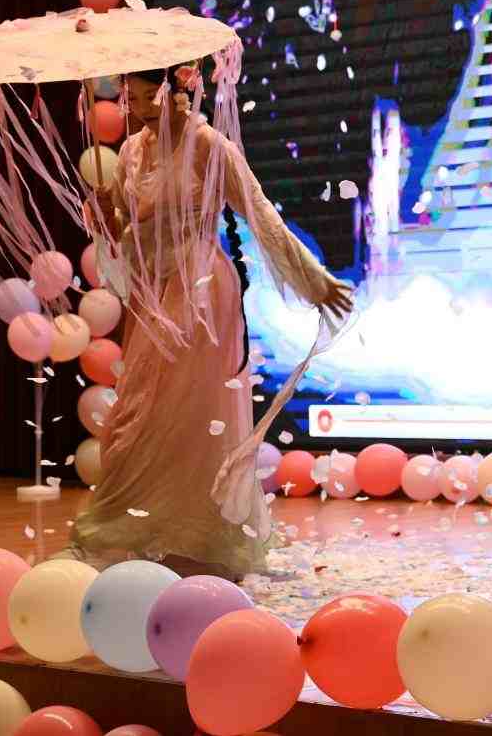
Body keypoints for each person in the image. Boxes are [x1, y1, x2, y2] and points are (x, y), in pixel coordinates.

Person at [63, 62, 352, 581]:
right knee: (137, 413)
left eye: (145, 95)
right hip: (152, 293)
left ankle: (201, 537)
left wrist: (313, 280)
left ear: (176, 90)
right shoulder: (132, 151)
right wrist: (105, 213)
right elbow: (127, 232)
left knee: (190, 413)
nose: (135, 107)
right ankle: (142, 529)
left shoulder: (207, 144)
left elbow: (260, 213)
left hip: (198, 288)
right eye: (129, 97)